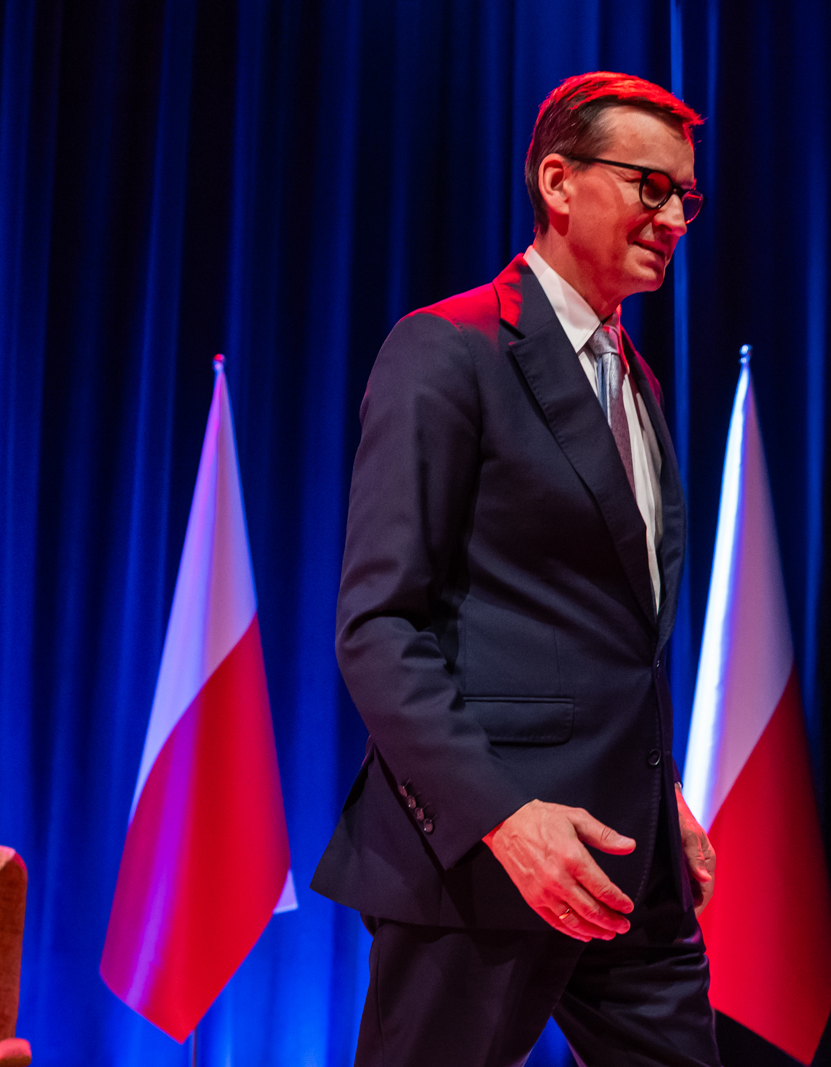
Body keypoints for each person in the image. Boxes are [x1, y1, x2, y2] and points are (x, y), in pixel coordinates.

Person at [312, 71, 720, 1067]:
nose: (673, 217)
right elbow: (378, 626)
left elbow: (602, 632)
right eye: (650, 186)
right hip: (482, 866)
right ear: (558, 181)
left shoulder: (635, 376)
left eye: (685, 196)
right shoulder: (446, 349)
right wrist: (501, 816)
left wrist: (657, 787)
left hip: (627, 860)